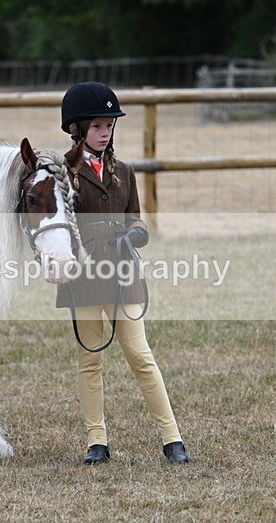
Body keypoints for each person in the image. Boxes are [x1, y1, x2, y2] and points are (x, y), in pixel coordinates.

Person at [57, 81, 189, 465]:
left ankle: (172, 437)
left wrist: (132, 233)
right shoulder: (64, 175)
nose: (105, 132)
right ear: (77, 129)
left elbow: (140, 225)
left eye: (109, 126)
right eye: (98, 126)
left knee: (140, 355)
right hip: (82, 277)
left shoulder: (126, 172)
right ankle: (96, 440)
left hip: (123, 275)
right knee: (89, 359)